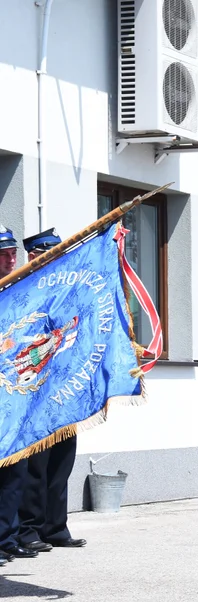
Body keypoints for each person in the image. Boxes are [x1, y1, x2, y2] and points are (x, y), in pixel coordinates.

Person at [15, 229, 87, 552]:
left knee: (62, 459)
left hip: (64, 388)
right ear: (34, 255)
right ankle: (29, 528)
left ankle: (55, 526)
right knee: (36, 463)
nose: (57, 259)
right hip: (36, 389)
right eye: (50, 253)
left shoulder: (64, 289)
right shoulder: (25, 288)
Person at [0, 226, 39, 563]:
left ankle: (7, 537)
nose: (11, 258)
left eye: (13, 253)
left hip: (16, 397)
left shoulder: (21, 288)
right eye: (4, 254)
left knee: (15, 473)